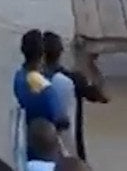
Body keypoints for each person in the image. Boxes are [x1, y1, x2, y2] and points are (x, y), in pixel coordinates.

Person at [42, 31, 109, 162]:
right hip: (70, 146)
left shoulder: (31, 78)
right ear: (61, 52)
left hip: (42, 144)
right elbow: (103, 97)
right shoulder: (74, 79)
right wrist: (92, 67)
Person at [13, 30, 69, 131]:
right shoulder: (44, 85)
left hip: (27, 131)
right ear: (43, 55)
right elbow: (62, 120)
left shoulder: (19, 76)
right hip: (45, 139)